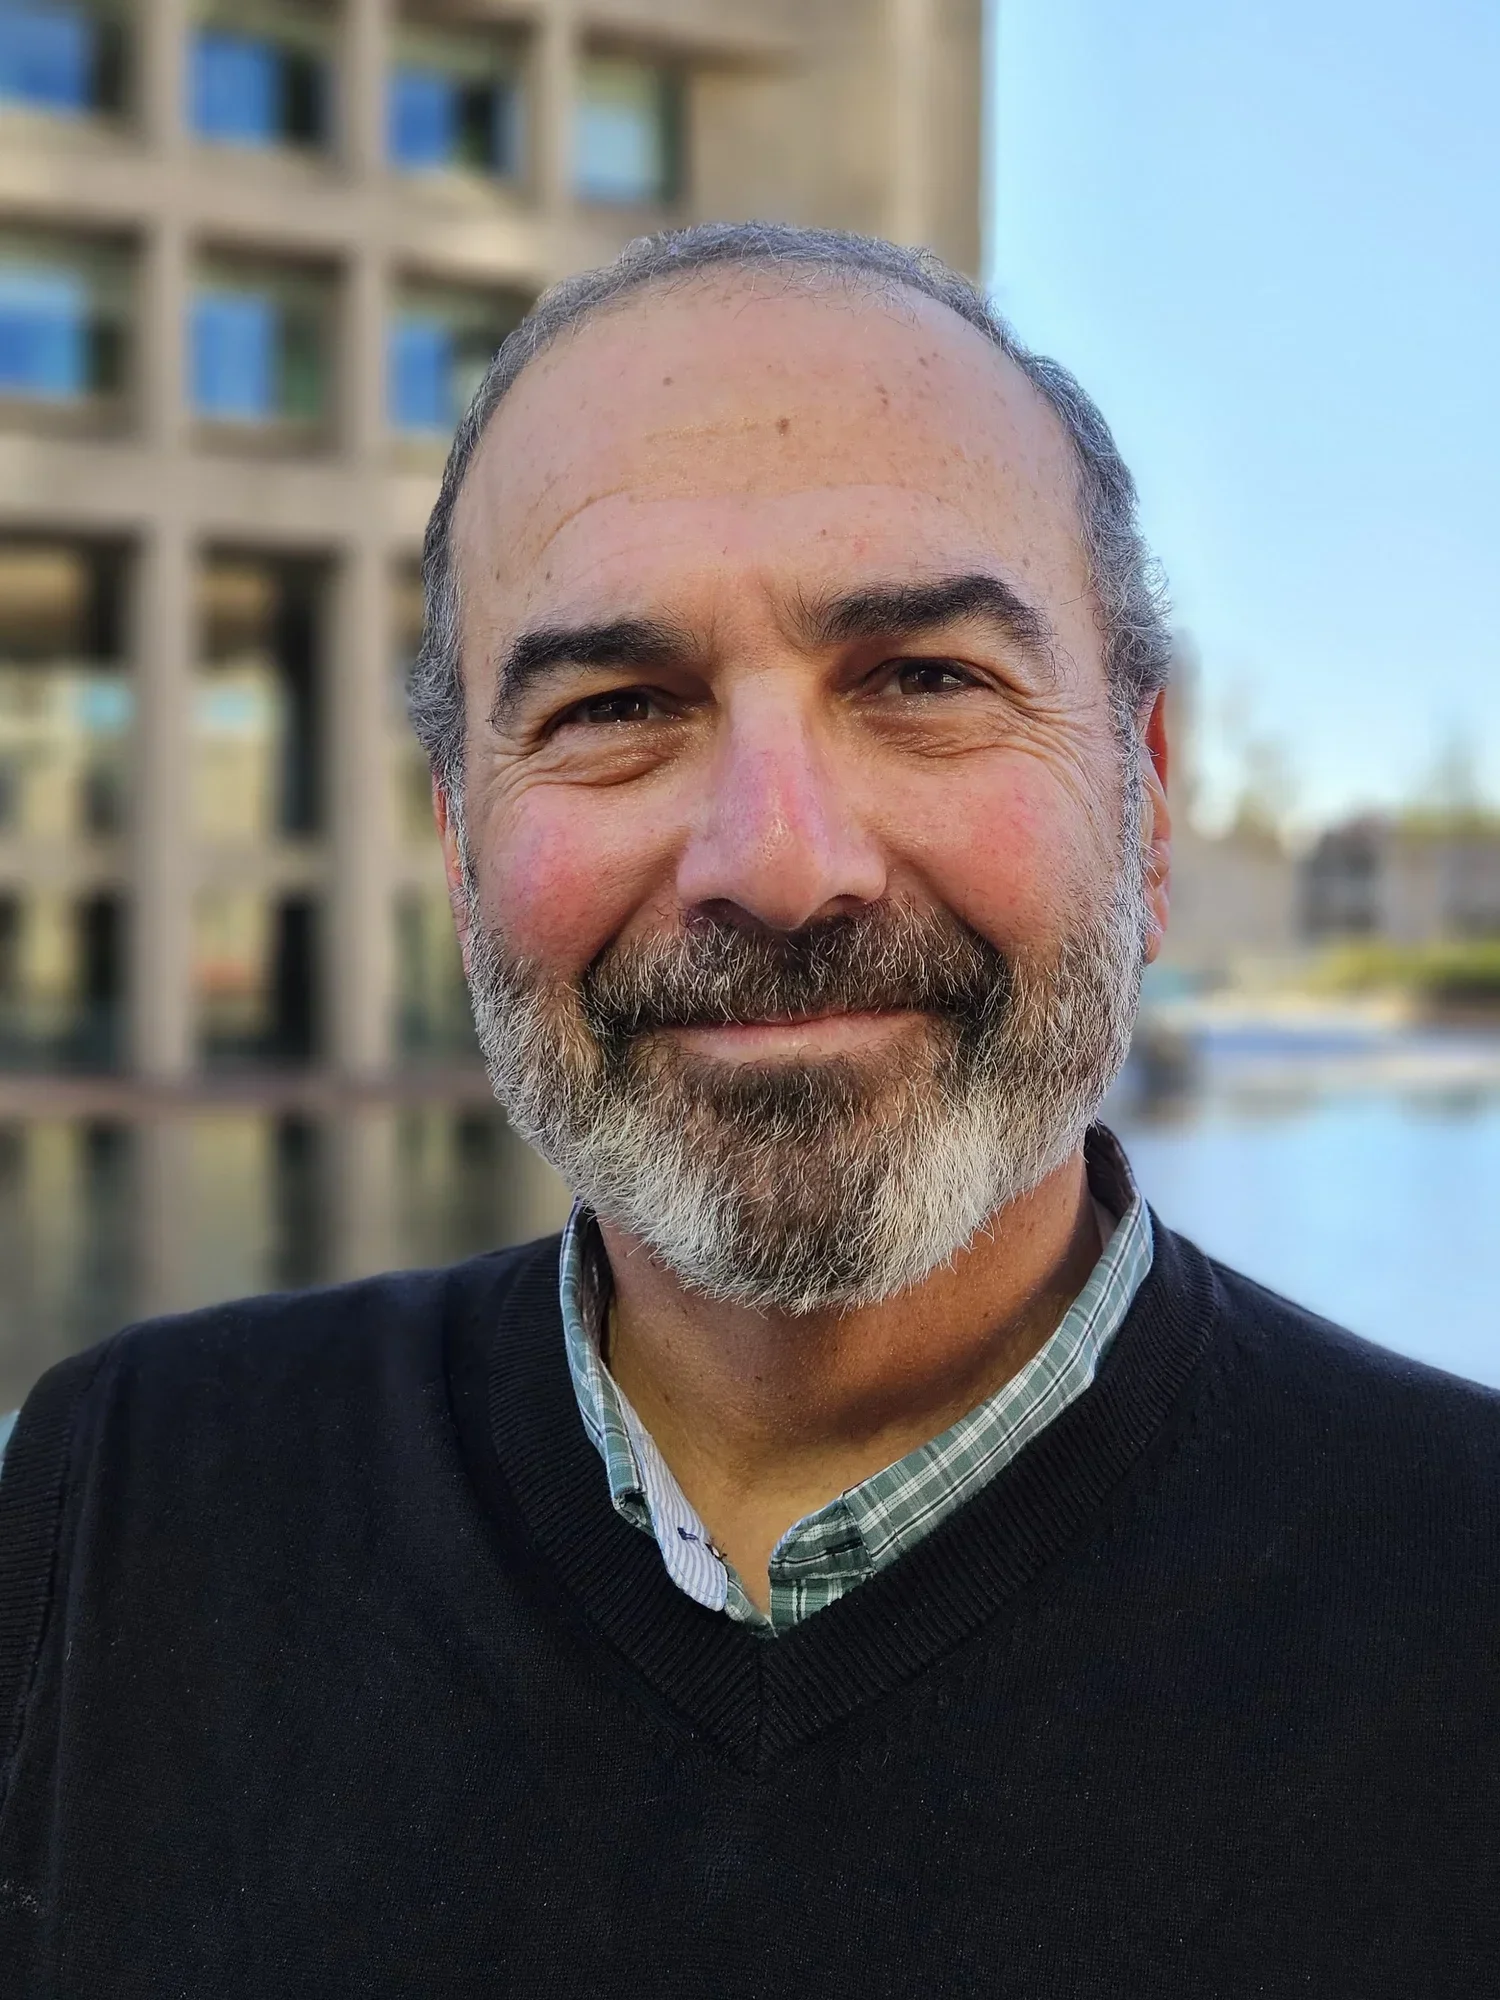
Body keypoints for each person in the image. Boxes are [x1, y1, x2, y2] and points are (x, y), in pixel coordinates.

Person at [0, 224, 1495, 1997]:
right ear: (464, 850)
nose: (780, 867)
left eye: (926, 681)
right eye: (620, 707)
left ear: (1146, 802)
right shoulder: (124, 1506)